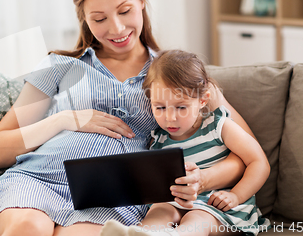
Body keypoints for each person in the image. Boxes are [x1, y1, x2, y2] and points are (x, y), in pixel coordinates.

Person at [0, 0, 254, 236]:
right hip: (38, 179)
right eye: (100, 18)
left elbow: (247, 152)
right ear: (84, 19)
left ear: (142, 0)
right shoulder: (59, 67)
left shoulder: (177, 74)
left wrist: (203, 179)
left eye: (125, 11)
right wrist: (64, 120)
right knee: (27, 227)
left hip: (113, 199)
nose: (117, 29)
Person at [101, 50, 271, 236]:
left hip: (218, 206)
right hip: (176, 202)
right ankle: (143, 233)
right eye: (160, 107)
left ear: (202, 100)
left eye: (181, 107)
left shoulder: (219, 126)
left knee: (196, 218)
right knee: (159, 211)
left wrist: (236, 195)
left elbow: (259, 162)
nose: (170, 118)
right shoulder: (158, 139)